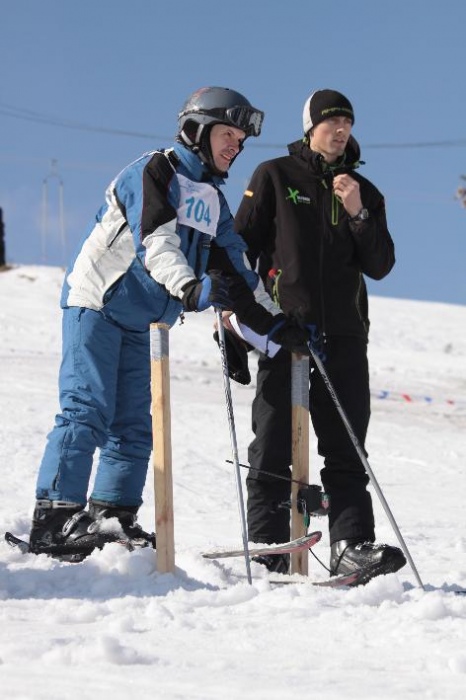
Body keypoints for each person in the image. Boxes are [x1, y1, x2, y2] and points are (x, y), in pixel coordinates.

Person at [29, 86, 311, 562]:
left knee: (134, 425)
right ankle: (54, 519)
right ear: (196, 130)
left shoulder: (213, 200)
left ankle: (112, 514)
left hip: (143, 322)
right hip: (98, 303)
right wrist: (191, 288)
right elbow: (156, 243)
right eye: (227, 135)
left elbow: (240, 271)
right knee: (87, 410)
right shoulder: (155, 171)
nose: (235, 146)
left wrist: (276, 324)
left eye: (240, 140)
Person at [234, 89, 406, 583]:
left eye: (347, 122)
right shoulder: (275, 175)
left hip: (345, 336)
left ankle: (351, 545)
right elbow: (240, 247)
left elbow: (380, 264)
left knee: (348, 446)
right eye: (332, 121)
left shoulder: (363, 190)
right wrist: (242, 321)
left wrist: (358, 212)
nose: (341, 130)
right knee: (273, 440)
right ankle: (268, 545)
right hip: (286, 332)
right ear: (310, 127)